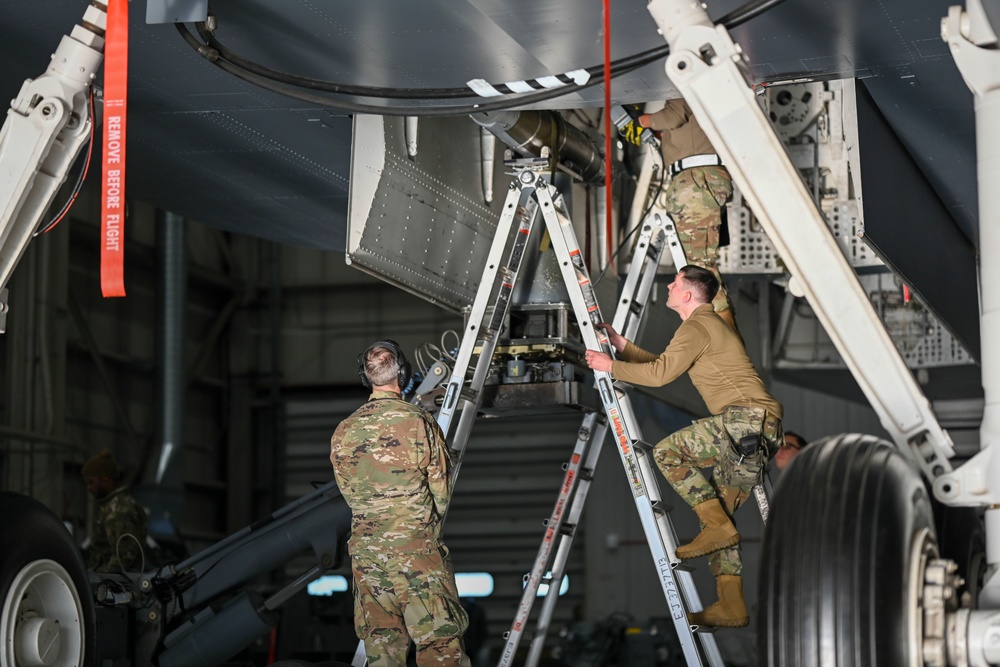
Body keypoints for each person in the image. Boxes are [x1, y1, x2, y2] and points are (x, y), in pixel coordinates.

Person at [584, 265, 782, 628]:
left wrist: (609, 366)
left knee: (667, 452)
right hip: (752, 426)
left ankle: (714, 526)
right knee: (722, 517)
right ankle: (731, 603)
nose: (670, 286)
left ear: (688, 295)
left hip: (746, 421)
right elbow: (663, 365)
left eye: (675, 283)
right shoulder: (700, 326)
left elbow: (659, 376)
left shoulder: (697, 326)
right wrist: (621, 347)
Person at [330, 340, 471, 667]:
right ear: (403, 373)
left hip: (368, 559)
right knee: (439, 646)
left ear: (366, 378)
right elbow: (441, 490)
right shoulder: (419, 422)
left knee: (382, 648)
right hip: (415, 553)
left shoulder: (344, 432)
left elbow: (349, 493)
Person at [638, 100, 737, 331]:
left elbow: (674, 115)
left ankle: (726, 345)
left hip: (695, 181)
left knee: (699, 271)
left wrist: (642, 121)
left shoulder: (682, 73)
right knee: (701, 267)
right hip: (698, 179)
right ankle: (727, 339)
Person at [81, 448, 148, 573]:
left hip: (114, 585)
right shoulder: (113, 506)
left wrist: (104, 581)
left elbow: (124, 555)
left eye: (91, 482)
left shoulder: (118, 509)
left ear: (106, 479)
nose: (89, 488)